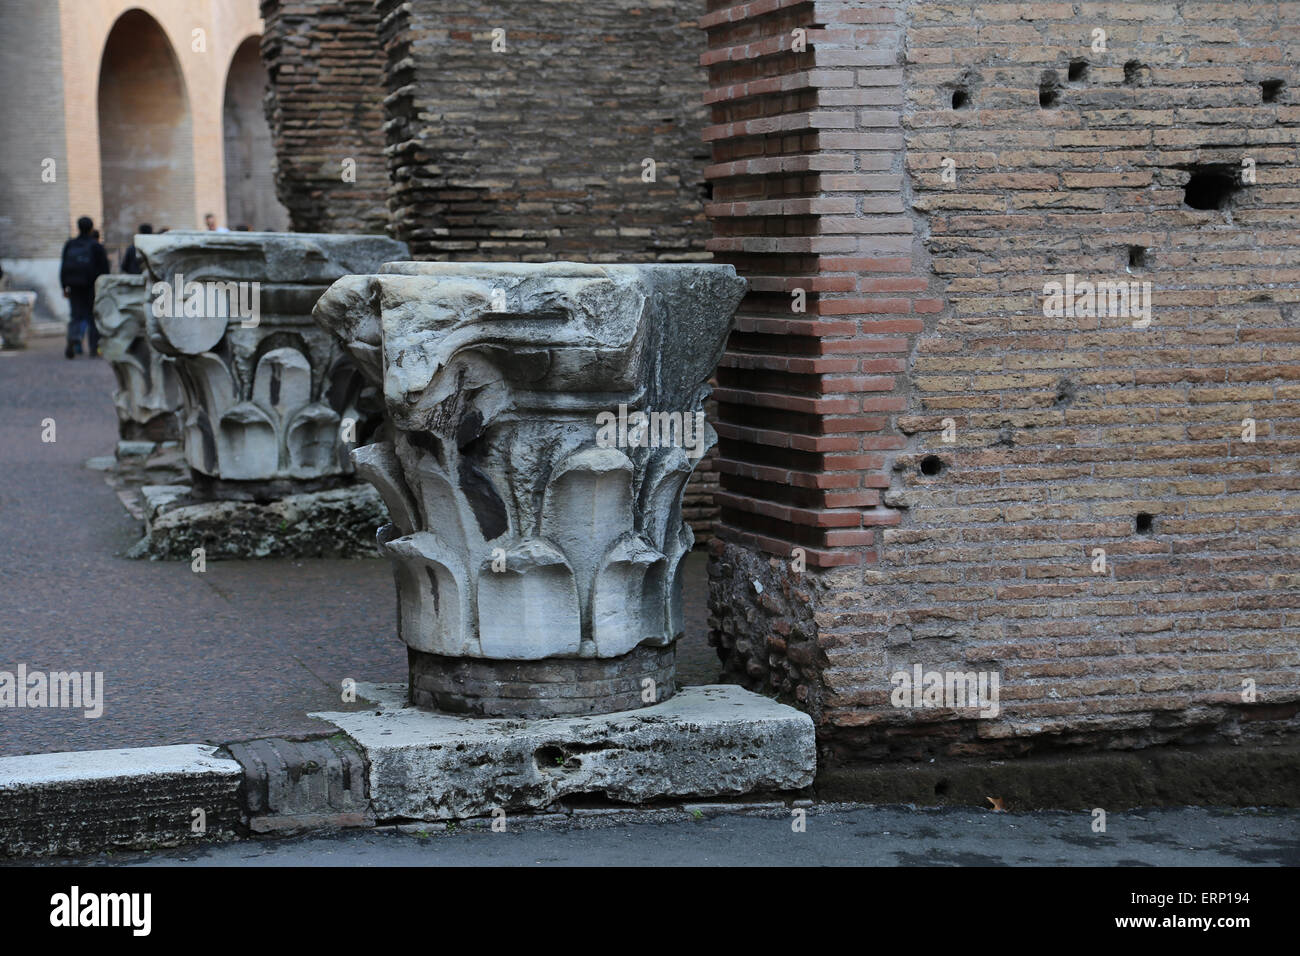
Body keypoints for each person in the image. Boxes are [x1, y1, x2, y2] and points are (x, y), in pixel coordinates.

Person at [59, 216, 110, 359]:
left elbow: (63, 267)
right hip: (92, 286)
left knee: (76, 315)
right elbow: (104, 270)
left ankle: (74, 337)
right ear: (91, 228)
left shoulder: (70, 244)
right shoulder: (96, 246)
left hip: (74, 285)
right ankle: (94, 347)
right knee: (93, 316)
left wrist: (64, 286)